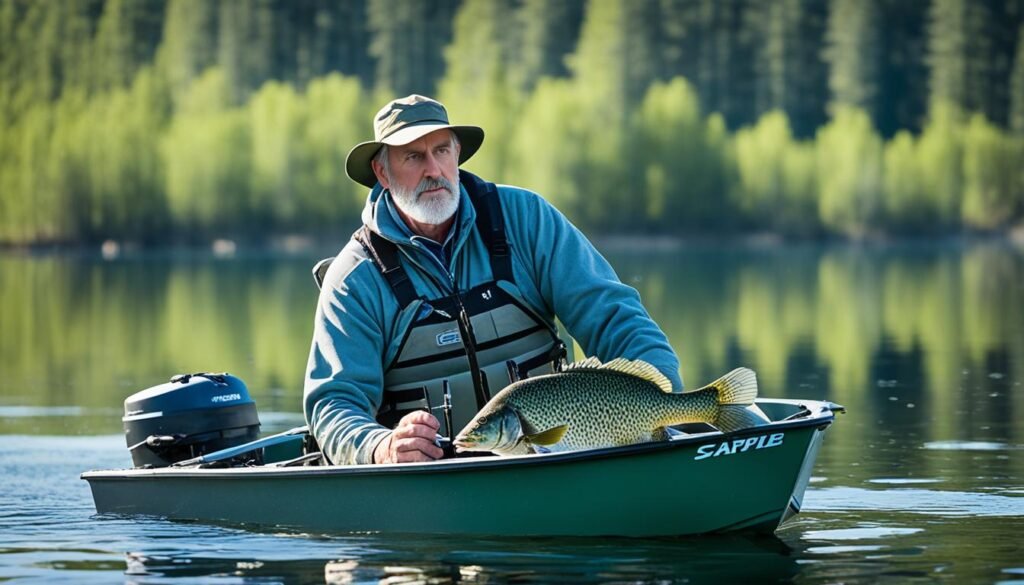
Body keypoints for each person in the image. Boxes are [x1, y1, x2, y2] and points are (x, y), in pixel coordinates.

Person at [304, 94, 682, 465]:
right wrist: (380, 447)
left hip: (553, 463)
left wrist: (664, 405)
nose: (433, 170)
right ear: (382, 172)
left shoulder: (526, 220)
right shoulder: (354, 278)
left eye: (442, 151)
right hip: (430, 485)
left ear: (457, 155)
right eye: (413, 157)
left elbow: (616, 318)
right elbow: (334, 404)